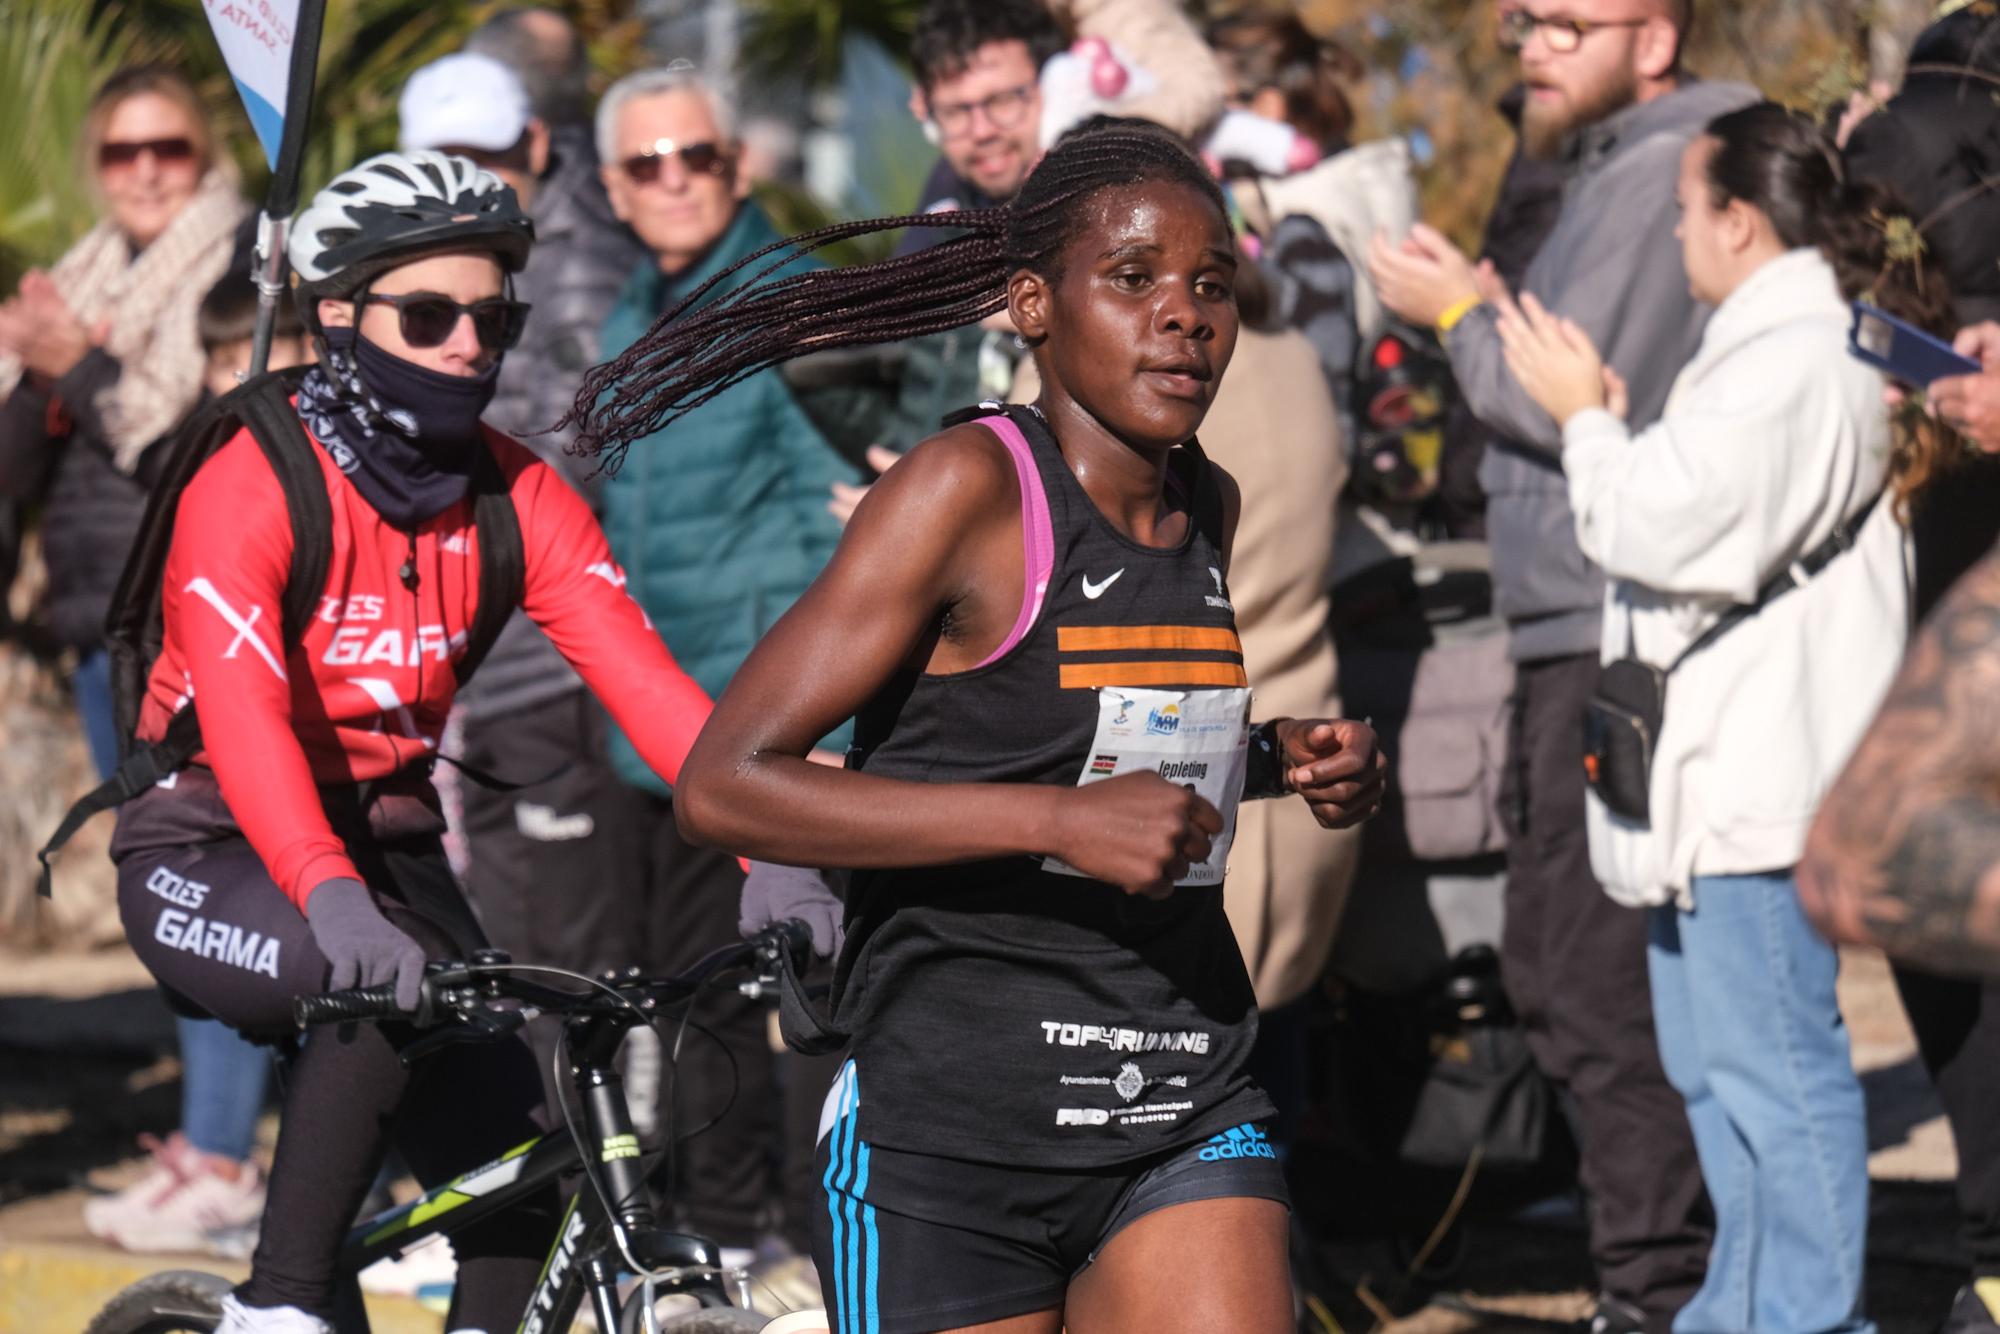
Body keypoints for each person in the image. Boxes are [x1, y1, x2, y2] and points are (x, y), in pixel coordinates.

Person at [574, 115, 1387, 1334]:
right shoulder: (962, 490)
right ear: (1029, 304)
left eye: (1209, 283)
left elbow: (1087, 740)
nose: (1184, 314)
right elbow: (726, 782)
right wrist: (1053, 819)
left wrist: (1273, 759)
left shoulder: (1201, 500)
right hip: (948, 1130)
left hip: (1176, 1093)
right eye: (1131, 278)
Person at [104, 150, 715, 1334]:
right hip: (211, 841)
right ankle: (275, 1312)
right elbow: (246, 726)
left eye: (492, 318)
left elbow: (657, 696)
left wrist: (774, 848)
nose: (467, 347)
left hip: (388, 848)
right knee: (369, 995)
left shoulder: (517, 497)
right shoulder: (250, 483)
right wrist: (330, 897)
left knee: (518, 1181)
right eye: (429, 314)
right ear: (337, 311)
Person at [1500, 100, 1954, 1334]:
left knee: (1776, 1074)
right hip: (1716, 777)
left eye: (1687, 208)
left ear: (1739, 221)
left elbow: (1656, 523)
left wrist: (1582, 414)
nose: (1677, 232)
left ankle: (1805, 1313)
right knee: (1715, 1074)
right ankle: (1742, 1305)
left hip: (1756, 779)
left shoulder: (1796, 352)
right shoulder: (1778, 343)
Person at [1367, 4, 1756, 1329]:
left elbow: (1565, 393)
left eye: (1565, 21)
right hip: (1567, 624)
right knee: (1559, 967)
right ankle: (1660, 1274)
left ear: (1655, 36)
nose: (1528, 44)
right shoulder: (1614, 167)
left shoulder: (1678, 167)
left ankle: (1663, 1292)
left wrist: (1455, 307)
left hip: (1617, 626)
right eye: (1523, 19)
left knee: (1595, 980)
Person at [593, 63, 860, 1263]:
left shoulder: (795, 303)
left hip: (773, 726)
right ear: (612, 185)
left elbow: (862, 504)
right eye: (647, 163)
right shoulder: (624, 312)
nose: (675, 181)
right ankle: (718, 1226)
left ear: (736, 166)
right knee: (689, 991)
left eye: (695, 156)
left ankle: (817, 1236)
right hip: (656, 726)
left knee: (800, 991)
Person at [0, 67, 268, 1259]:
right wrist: (42, 363)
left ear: (202, 153)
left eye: (165, 146)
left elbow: (206, 452)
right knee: (159, 889)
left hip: (194, 625)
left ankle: (227, 1155)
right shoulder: (89, 279)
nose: (145, 170)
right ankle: (208, 1142)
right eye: (120, 153)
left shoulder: (240, 268)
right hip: (100, 627)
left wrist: (78, 365)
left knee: (210, 890)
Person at [395, 45, 655, 1120]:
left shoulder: (574, 259)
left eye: (487, 158)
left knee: (566, 954)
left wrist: (430, 441)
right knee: (501, 934)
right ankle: (537, 1185)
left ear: (534, 148)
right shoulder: (462, 265)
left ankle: (598, 1184)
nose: (469, 183)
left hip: (550, 657)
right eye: (443, 163)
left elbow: (594, 432)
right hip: (479, 659)